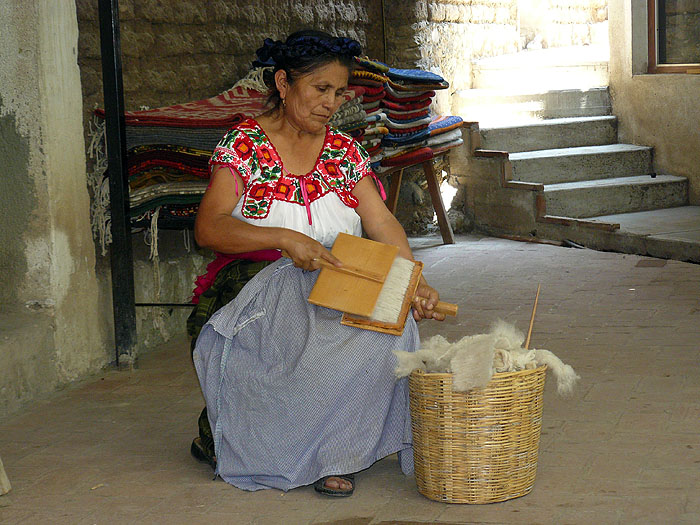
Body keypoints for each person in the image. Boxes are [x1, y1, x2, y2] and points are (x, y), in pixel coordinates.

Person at [188, 30, 444, 497]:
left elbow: (383, 225)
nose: (331, 102)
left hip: (339, 274)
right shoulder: (245, 145)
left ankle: (337, 450)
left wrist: (412, 281)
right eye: (320, 89)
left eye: (339, 92)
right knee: (311, 332)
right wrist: (285, 239)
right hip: (258, 283)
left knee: (391, 321)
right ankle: (295, 447)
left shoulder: (345, 152)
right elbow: (210, 228)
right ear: (284, 84)